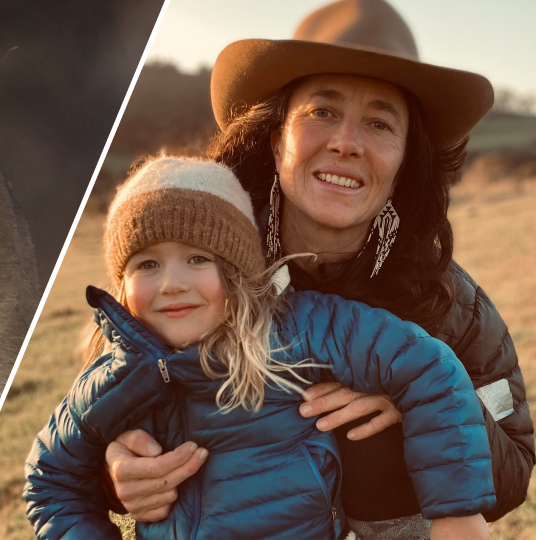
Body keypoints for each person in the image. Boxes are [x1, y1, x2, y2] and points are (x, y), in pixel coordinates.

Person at [104, 1, 534, 538]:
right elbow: (100, 415)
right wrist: (116, 468)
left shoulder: (450, 302)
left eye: (379, 123)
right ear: (276, 135)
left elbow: (514, 469)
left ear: (405, 159)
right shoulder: (193, 275)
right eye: (322, 112)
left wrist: (422, 410)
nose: (346, 143)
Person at [24, 156, 494, 540]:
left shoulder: (299, 329)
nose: (171, 284)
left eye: (197, 258)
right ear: (121, 286)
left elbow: (428, 365)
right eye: (147, 264)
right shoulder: (111, 379)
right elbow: (49, 481)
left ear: (236, 270)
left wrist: (458, 512)